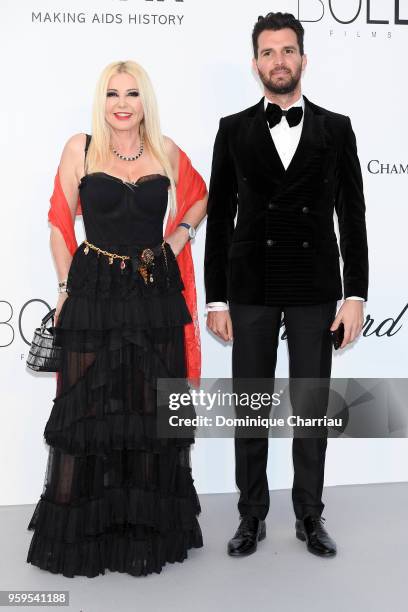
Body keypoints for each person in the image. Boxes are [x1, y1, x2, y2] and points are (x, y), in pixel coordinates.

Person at [27, 60, 207, 577]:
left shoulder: (165, 150)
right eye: (112, 94)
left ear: (144, 100)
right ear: (100, 101)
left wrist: (175, 241)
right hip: (95, 292)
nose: (122, 103)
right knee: (85, 410)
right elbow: (60, 223)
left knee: (149, 411)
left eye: (131, 93)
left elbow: (199, 197)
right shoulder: (80, 149)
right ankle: (84, 530)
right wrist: (64, 288)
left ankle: (143, 528)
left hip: (153, 295)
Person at [204, 12, 368, 558]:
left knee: (310, 407)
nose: (279, 61)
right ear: (256, 64)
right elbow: (220, 214)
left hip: (315, 284)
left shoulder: (336, 127)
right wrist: (216, 298)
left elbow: (354, 216)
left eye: (288, 51)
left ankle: (310, 516)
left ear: (303, 58)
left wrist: (355, 294)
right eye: (269, 52)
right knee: (250, 405)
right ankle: (250, 516)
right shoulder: (232, 129)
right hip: (249, 283)